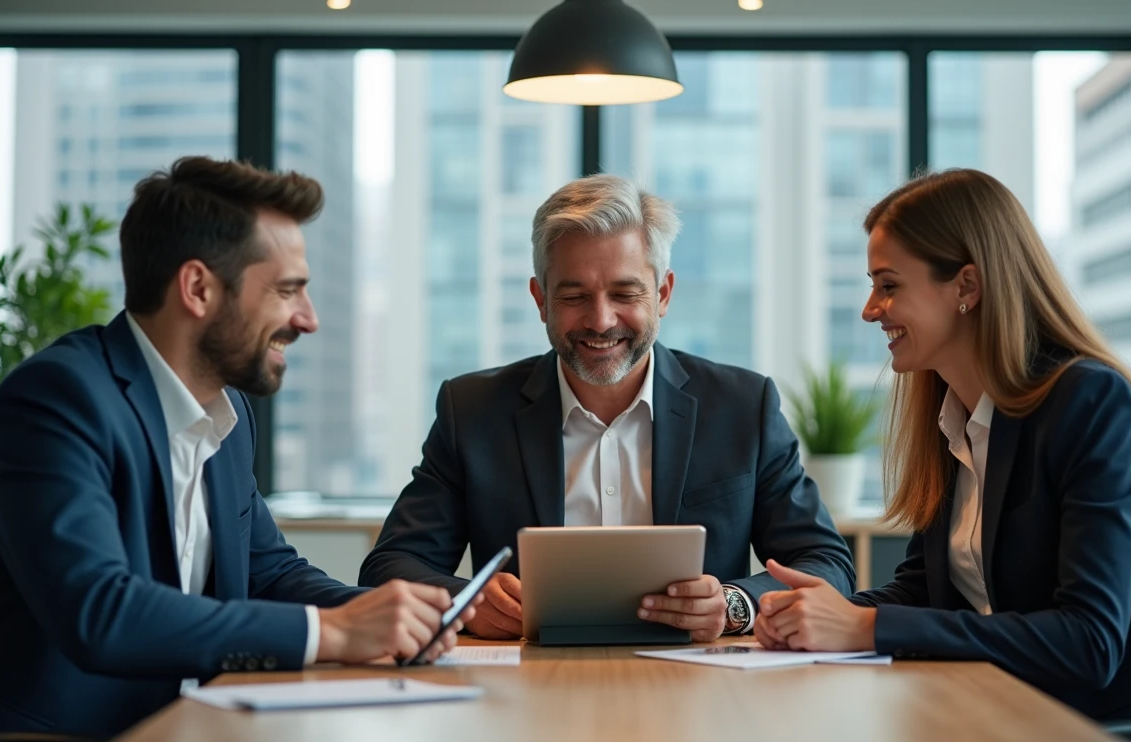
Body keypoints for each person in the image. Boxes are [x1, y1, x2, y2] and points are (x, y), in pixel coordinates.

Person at [0, 157, 475, 737]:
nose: (308, 319)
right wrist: (334, 632)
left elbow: (267, 574)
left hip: (194, 733)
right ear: (198, 288)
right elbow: (101, 611)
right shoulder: (58, 400)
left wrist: (387, 615)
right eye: (287, 291)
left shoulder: (229, 414)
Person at [754, 168, 1131, 722]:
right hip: (1014, 713)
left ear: (966, 286)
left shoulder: (1088, 403)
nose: (870, 309)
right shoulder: (953, 416)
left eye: (889, 286)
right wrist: (816, 613)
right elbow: (924, 590)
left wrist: (864, 626)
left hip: (1128, 732)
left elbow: (1089, 641)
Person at [360, 174, 854, 643]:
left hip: (698, 683)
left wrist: (733, 605)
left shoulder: (742, 406)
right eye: (574, 295)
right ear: (540, 300)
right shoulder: (471, 412)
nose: (600, 320)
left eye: (624, 293)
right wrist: (467, 600)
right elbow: (390, 565)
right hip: (528, 682)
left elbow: (826, 563)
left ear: (662, 294)